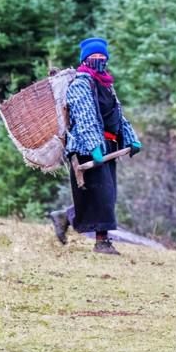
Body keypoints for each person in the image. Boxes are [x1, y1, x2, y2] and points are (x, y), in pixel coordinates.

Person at [49, 37, 141, 255]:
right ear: (85, 60)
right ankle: (102, 242)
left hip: (108, 147)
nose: (99, 60)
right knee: (101, 195)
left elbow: (118, 116)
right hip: (86, 149)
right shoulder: (81, 84)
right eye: (94, 57)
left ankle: (65, 217)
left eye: (102, 57)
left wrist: (131, 138)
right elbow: (85, 118)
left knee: (106, 195)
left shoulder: (106, 85)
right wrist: (94, 148)